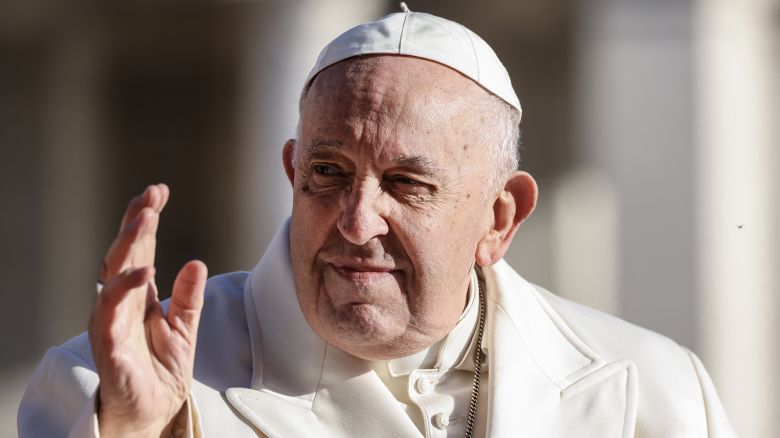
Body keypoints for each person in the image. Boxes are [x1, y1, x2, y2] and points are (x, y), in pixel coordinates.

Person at [19, 9, 735, 438]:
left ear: (499, 215)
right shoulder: (100, 390)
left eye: (407, 184)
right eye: (327, 174)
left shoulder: (660, 391)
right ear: (293, 170)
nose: (357, 222)